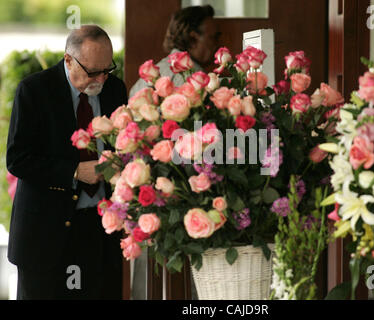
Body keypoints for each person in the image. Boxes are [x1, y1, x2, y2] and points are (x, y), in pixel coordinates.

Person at [7, 25, 128, 300]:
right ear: (68, 60)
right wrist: (74, 171)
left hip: (99, 232)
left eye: (107, 70)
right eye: (92, 71)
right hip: (45, 234)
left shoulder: (115, 89)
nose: (101, 78)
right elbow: (17, 159)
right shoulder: (34, 90)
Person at [129, 5, 220, 300]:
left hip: (147, 198)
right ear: (193, 35)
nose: (216, 43)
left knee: (150, 284)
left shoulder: (148, 77)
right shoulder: (197, 80)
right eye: (213, 35)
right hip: (187, 195)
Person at [129, 4, 220, 96]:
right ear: (193, 38)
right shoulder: (197, 79)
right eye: (213, 38)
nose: (218, 44)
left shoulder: (156, 70)